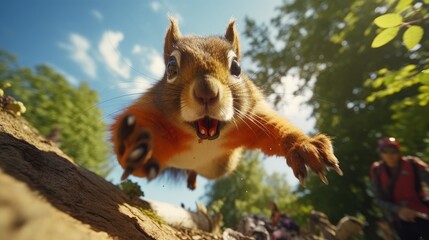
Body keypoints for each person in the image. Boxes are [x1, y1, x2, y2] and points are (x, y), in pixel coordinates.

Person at [370, 137, 429, 239]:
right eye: (385, 151)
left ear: (399, 152)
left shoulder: (413, 164)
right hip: (399, 220)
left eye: (393, 151)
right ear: (380, 153)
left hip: (423, 213)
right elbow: (379, 199)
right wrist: (399, 210)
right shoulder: (377, 170)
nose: (389, 155)